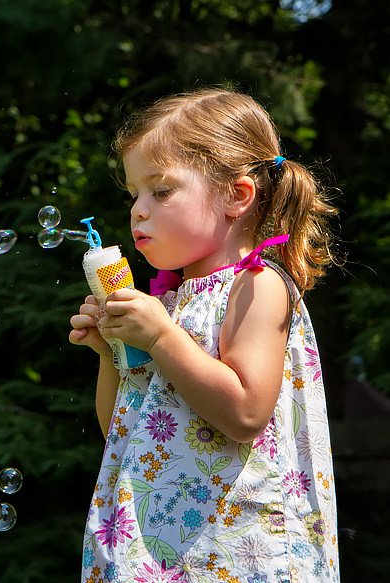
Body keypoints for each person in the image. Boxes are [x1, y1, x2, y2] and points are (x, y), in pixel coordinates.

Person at [67, 89, 339, 582]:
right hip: (157, 551)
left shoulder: (257, 285)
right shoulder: (167, 305)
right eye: (134, 195)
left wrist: (161, 339)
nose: (138, 211)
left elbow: (245, 412)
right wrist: (111, 352)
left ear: (237, 195)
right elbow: (121, 432)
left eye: (161, 190)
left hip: (237, 551)